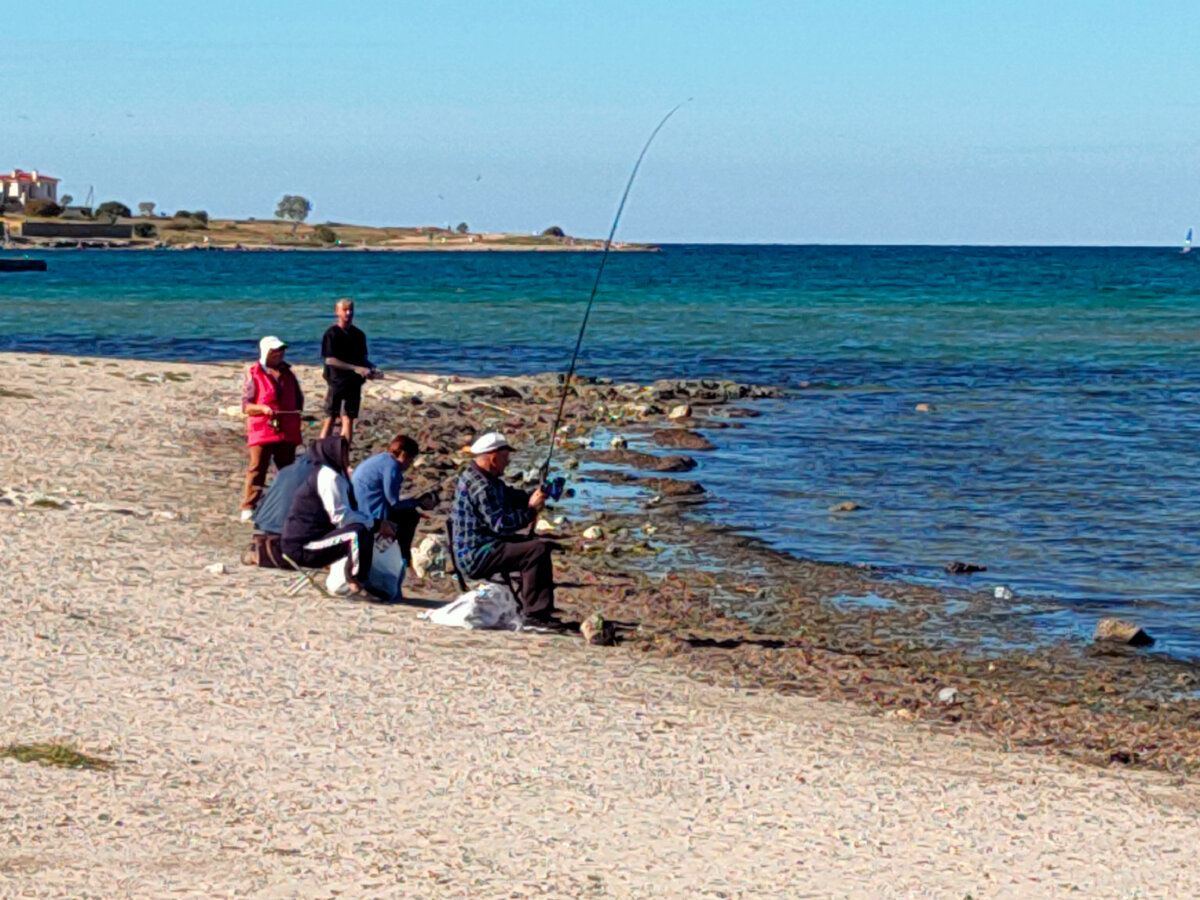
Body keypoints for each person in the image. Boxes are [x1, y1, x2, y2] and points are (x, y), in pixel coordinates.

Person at [450, 432, 559, 621]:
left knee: (537, 545)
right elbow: (501, 525)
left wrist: (535, 495)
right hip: (477, 554)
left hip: (481, 544)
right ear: (493, 458)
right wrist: (531, 511)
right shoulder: (481, 486)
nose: (507, 463)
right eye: (505, 458)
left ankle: (534, 606)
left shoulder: (477, 476)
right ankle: (536, 614)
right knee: (537, 550)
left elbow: (509, 496)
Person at [281, 435, 391, 594]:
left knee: (363, 528)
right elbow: (340, 517)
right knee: (356, 533)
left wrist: (372, 523)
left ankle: (361, 578)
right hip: (303, 546)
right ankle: (355, 578)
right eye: (343, 452)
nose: (347, 457)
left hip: (316, 538)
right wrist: (376, 524)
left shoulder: (335, 476)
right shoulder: (328, 477)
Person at [351, 434, 439, 570]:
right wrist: (417, 502)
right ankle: (402, 558)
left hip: (357, 507)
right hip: (371, 513)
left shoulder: (380, 459)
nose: (409, 465)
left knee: (407, 512)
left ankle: (398, 556)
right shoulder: (392, 467)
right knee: (410, 516)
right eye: (410, 460)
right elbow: (393, 502)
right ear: (404, 455)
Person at [240, 335, 304, 521]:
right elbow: (247, 406)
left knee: (286, 470)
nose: (280, 354)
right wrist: (263, 409)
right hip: (263, 428)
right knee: (257, 468)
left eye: (281, 350)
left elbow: (298, 400)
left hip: (287, 429)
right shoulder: (255, 374)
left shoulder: (288, 374)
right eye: (275, 351)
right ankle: (249, 506)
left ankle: (283, 507)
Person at [319, 297, 377, 448]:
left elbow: (363, 359)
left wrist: (370, 369)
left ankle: (343, 454)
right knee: (331, 416)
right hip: (336, 381)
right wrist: (355, 368)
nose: (348, 313)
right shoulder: (331, 334)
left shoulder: (359, 335)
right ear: (337, 312)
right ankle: (321, 451)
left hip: (353, 383)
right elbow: (330, 360)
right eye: (345, 310)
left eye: (351, 310)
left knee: (348, 418)